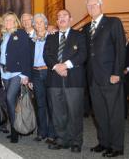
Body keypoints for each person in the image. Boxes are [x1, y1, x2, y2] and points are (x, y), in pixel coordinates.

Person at [84, 0, 126, 157]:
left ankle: (116, 147)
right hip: (93, 79)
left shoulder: (113, 22)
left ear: (101, 5)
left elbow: (120, 49)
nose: (91, 7)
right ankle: (104, 142)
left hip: (110, 77)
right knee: (99, 113)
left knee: (114, 113)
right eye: (89, 6)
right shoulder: (87, 28)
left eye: (94, 4)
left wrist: (117, 73)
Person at [43, 10, 87, 153]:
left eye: (64, 16)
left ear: (70, 18)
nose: (61, 18)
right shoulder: (51, 37)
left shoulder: (79, 35)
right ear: (56, 21)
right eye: (59, 17)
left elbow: (83, 54)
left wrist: (65, 65)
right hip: (54, 80)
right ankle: (61, 139)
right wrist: (56, 67)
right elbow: (46, 55)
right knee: (57, 112)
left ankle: (76, 141)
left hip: (74, 80)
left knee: (74, 112)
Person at [0, 12, 31, 143]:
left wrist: (25, 74)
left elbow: (26, 54)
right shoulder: (5, 36)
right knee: (10, 102)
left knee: (9, 98)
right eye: (6, 20)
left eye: (11, 20)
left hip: (17, 73)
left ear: (15, 21)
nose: (8, 22)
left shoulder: (21, 34)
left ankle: (14, 131)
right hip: (5, 72)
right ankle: (15, 127)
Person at [29, 13, 56, 144]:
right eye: (36, 22)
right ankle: (41, 132)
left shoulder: (52, 36)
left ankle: (52, 134)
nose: (38, 24)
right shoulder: (31, 39)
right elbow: (28, 60)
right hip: (35, 74)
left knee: (51, 104)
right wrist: (29, 79)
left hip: (49, 72)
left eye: (41, 22)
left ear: (46, 24)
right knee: (40, 105)